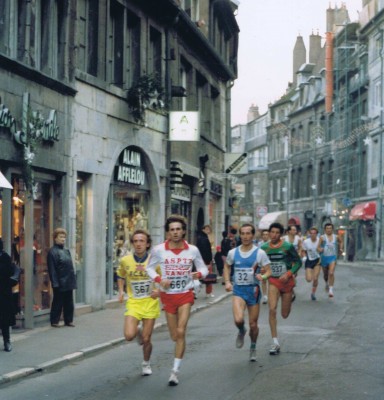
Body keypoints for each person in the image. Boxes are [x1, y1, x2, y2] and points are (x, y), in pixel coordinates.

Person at [146, 215, 208, 386]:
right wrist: (159, 280)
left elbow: (203, 267)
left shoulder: (192, 250)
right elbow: (149, 268)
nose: (175, 232)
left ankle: (175, 371)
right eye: (172, 229)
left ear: (183, 231)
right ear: (168, 232)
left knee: (181, 331)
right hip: (168, 295)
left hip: (185, 294)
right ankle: (177, 357)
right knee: (174, 335)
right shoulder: (159, 250)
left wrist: (199, 274)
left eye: (178, 229)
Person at [223, 224, 271, 362]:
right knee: (238, 319)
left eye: (248, 233)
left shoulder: (260, 253)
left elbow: (268, 270)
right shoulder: (233, 252)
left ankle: (253, 346)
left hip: (253, 292)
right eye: (242, 233)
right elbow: (227, 266)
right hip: (238, 291)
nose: (245, 236)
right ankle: (241, 330)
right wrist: (227, 281)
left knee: (253, 324)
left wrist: (264, 277)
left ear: (253, 235)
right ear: (240, 235)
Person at [117, 229, 160, 376]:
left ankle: (146, 363)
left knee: (147, 339)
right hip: (134, 302)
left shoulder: (155, 261)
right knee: (129, 335)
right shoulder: (125, 260)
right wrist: (121, 291)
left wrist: (159, 291)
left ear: (147, 244)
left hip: (150, 302)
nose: (138, 244)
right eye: (135, 241)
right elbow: (120, 275)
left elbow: (165, 279)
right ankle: (138, 331)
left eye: (142, 241)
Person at [261, 223, 302, 355]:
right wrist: (262, 270)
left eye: (277, 233)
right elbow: (260, 264)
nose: (274, 235)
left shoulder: (287, 246)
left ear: (281, 234)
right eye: (271, 232)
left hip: (287, 282)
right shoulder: (264, 248)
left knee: (284, 314)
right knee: (272, 309)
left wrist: (289, 273)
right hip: (273, 281)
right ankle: (275, 342)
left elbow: (298, 262)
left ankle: (291, 296)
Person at [47, 228, 77, 328]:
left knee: (69, 302)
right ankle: (54, 321)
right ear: (55, 238)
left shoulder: (66, 251)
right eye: (60, 237)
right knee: (58, 302)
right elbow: (52, 270)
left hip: (68, 280)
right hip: (60, 281)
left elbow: (70, 266)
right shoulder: (52, 252)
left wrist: (73, 279)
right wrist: (55, 283)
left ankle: (69, 320)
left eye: (64, 237)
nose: (63, 239)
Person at [317, 223, 343, 298]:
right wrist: (320, 249)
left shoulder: (336, 237)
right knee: (325, 275)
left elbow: (341, 242)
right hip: (324, 258)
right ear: (325, 230)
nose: (329, 230)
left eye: (330, 228)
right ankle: (326, 283)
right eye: (327, 228)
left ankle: (331, 290)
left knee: (331, 273)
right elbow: (318, 247)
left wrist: (341, 248)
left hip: (333, 257)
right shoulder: (322, 238)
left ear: (332, 229)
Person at [0, 239, 15, 351]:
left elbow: (10, 272)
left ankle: (7, 341)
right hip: (4, 291)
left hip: (3, 292)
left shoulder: (5, 257)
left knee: (4, 319)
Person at [301, 227, 321, 301]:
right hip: (309, 260)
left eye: (314, 233)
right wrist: (304, 257)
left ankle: (313, 293)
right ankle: (310, 273)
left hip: (317, 260)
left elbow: (322, 249)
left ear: (317, 234)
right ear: (309, 234)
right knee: (309, 279)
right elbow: (303, 251)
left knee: (315, 278)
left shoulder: (320, 240)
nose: (313, 235)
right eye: (311, 233)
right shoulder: (306, 242)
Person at [196, 225, 214, 298]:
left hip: (200, 260)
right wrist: (208, 261)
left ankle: (195, 291)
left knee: (197, 276)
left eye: (209, 229)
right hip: (205, 260)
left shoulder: (200, 238)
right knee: (209, 277)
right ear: (203, 229)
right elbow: (206, 251)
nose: (208, 231)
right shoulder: (204, 239)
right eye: (207, 229)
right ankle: (208, 292)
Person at [258, 229, 270, 304]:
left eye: (266, 234)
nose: (265, 236)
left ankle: (271, 295)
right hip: (263, 265)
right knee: (264, 280)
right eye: (264, 235)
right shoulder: (260, 244)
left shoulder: (271, 243)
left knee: (272, 281)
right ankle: (265, 296)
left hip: (271, 265)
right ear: (262, 236)